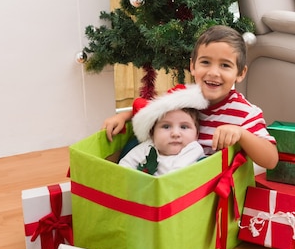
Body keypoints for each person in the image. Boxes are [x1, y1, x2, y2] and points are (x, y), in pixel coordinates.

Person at [104, 25, 278, 169]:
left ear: (240, 73)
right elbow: (152, 111)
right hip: (168, 178)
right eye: (205, 62)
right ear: (192, 66)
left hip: (208, 192)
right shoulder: (182, 97)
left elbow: (270, 160)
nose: (213, 72)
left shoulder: (244, 113)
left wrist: (241, 134)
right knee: (136, 146)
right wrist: (124, 116)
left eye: (225, 65)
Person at [119, 84, 208, 176]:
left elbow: (176, 175)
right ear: (152, 133)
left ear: (196, 134)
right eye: (166, 127)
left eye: (184, 127)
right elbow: (125, 165)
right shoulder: (149, 146)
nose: (175, 134)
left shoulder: (193, 149)